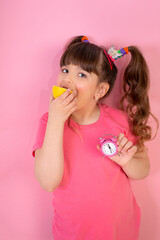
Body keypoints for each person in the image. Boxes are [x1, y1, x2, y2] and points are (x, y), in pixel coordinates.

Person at [32, 35, 159, 240]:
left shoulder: (119, 120)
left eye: (81, 75)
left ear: (100, 90)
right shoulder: (50, 122)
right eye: (65, 70)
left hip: (121, 232)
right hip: (72, 234)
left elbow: (143, 169)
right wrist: (57, 120)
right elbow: (48, 182)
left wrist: (127, 162)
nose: (68, 79)